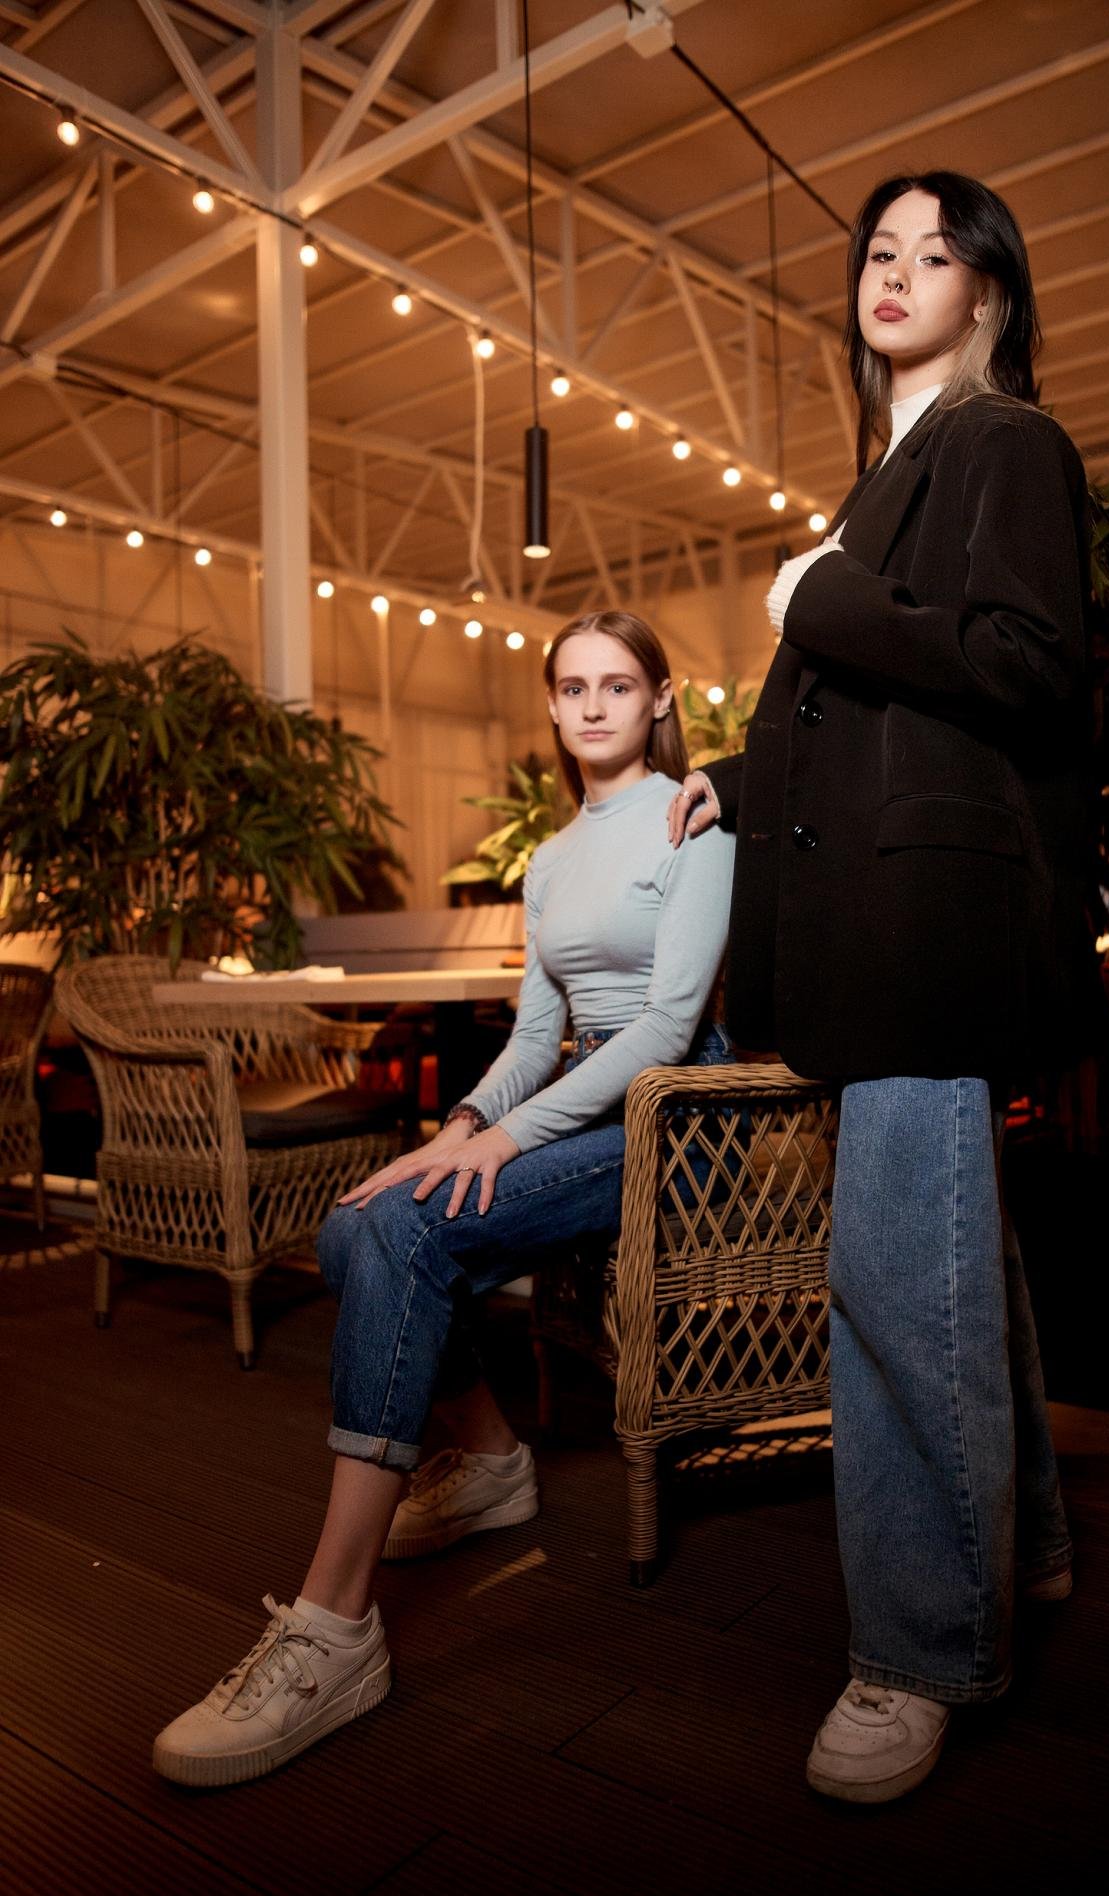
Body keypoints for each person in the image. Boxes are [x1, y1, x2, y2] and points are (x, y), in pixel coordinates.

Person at [669, 171, 1102, 1805]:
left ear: (989, 291)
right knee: (945, 1257)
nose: (896, 272)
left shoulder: (1005, 442)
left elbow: (1024, 667)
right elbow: (882, 721)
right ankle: (1026, 1547)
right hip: (882, 920)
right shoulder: (894, 470)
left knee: (895, 1282)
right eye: (879, 252)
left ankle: (923, 1646)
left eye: (937, 252)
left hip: (931, 926)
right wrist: (733, 774)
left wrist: (818, 598)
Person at [153, 610, 735, 1788]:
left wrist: (508, 1136)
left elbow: (668, 1028)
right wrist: (461, 1127)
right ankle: (491, 1458)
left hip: (677, 1111)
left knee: (405, 1226)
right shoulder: (552, 859)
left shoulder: (693, 822)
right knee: (356, 1220)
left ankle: (333, 1625)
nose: (592, 706)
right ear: (553, 704)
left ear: (659, 701)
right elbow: (533, 1033)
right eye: (573, 687)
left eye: (619, 685)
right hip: (578, 1093)